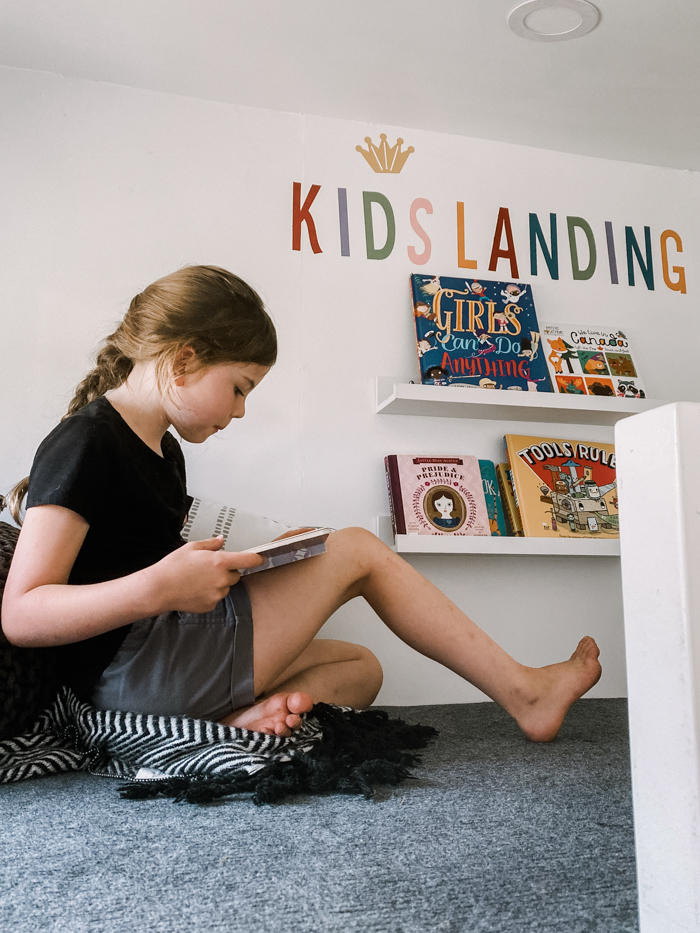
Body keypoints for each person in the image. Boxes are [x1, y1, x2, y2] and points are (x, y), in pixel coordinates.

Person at [1, 266, 601, 740]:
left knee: (361, 669)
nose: (240, 411)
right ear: (184, 360)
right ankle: (525, 694)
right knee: (359, 550)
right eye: (239, 388)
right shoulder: (85, 442)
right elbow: (22, 615)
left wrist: (272, 555)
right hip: (134, 671)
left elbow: (147, 562)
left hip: (164, 653)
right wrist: (160, 589)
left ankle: (229, 728)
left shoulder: (162, 450)